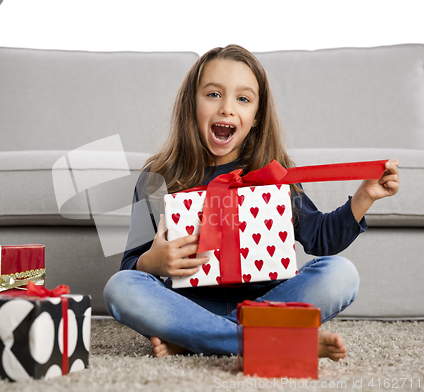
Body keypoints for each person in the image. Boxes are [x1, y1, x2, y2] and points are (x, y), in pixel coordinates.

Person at [103, 44, 399, 360]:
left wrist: (364, 196)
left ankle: (198, 339)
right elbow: (130, 266)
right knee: (120, 288)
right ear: (192, 103)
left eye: (243, 99)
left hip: (270, 303)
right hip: (188, 305)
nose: (227, 108)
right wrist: (153, 261)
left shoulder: (273, 172)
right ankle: (276, 341)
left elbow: (319, 238)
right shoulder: (157, 176)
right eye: (213, 94)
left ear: (256, 116)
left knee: (342, 274)